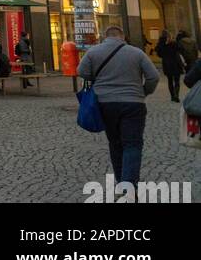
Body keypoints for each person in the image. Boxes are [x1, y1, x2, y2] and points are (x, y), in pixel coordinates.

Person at [78, 24, 159, 189]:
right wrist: (143, 92)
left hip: (105, 103)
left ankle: (120, 182)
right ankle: (129, 185)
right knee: (132, 144)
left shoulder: (93, 52)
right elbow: (153, 77)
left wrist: (96, 79)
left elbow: (82, 71)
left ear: (104, 36)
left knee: (115, 143)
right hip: (133, 103)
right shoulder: (137, 52)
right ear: (122, 36)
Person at [155, 29, 185, 102]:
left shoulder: (160, 44)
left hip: (167, 63)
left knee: (170, 80)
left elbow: (159, 54)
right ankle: (176, 95)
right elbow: (180, 49)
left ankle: (172, 96)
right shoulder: (173, 43)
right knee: (177, 81)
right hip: (175, 63)